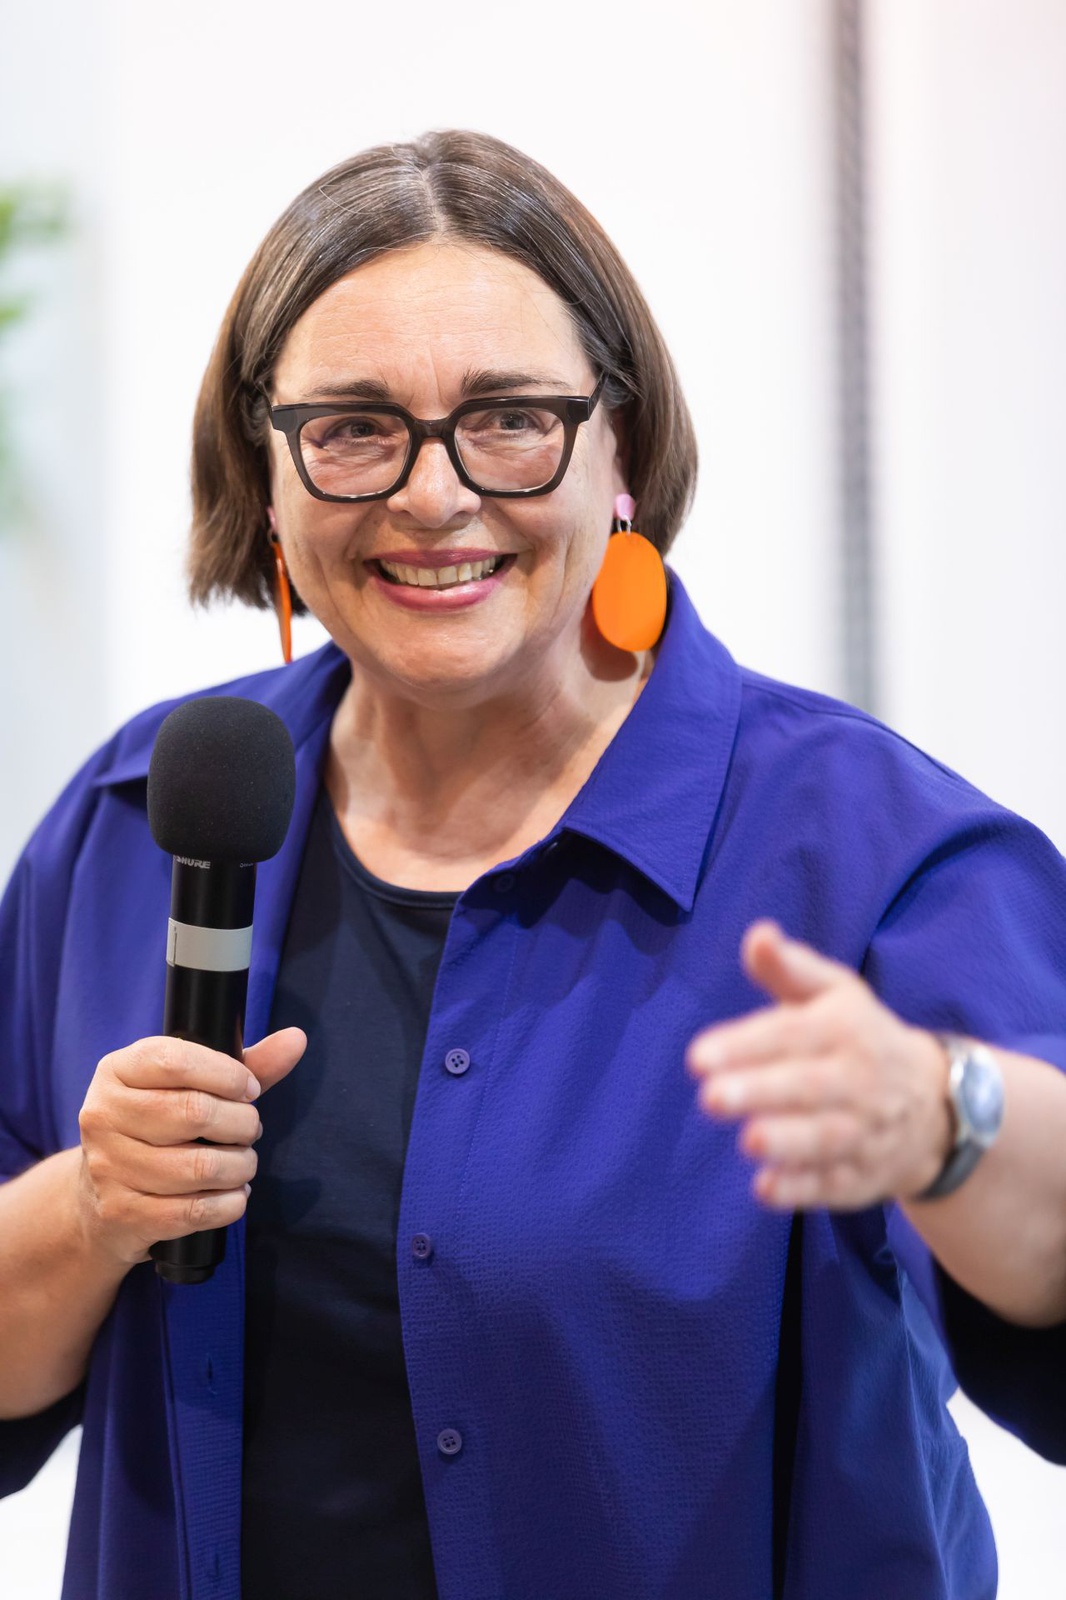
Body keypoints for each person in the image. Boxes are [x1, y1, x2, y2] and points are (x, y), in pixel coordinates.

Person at [1, 129, 1066, 1600]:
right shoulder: (140, 823)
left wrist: (947, 1116)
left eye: (509, 419)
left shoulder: (864, 848)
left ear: (619, 448)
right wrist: (92, 1209)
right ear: (266, 473)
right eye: (353, 428)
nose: (432, 496)